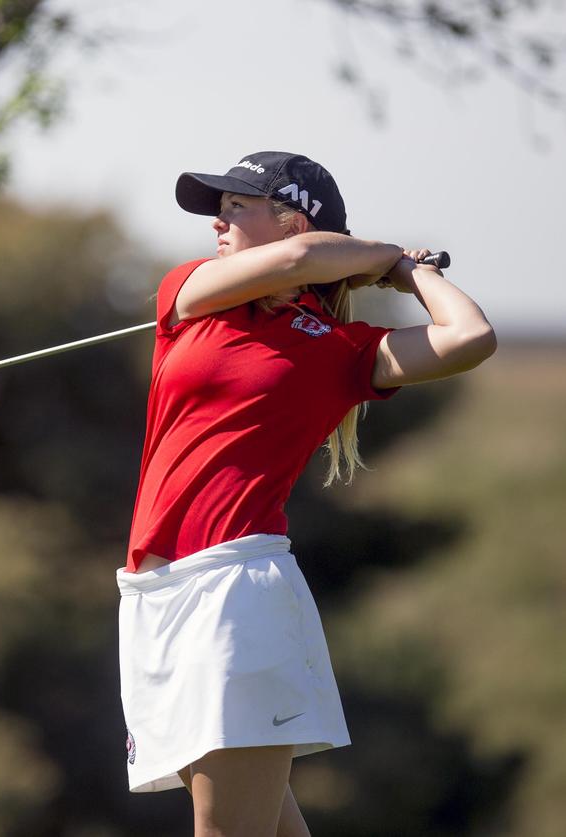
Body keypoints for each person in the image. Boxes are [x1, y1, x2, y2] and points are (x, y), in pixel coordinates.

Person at [117, 151, 496, 837]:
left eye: (237, 208)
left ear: (293, 221)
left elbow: (470, 337)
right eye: (219, 210)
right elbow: (297, 264)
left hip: (235, 594)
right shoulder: (190, 293)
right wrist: (376, 253)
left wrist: (412, 272)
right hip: (153, 598)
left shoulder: (343, 349)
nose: (217, 224)